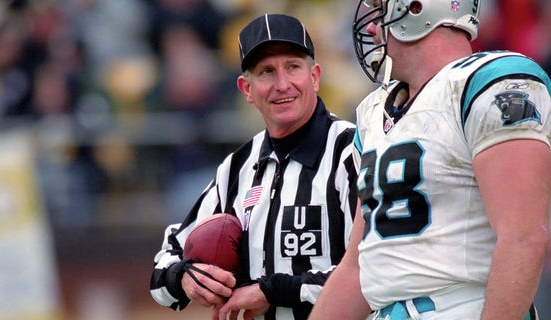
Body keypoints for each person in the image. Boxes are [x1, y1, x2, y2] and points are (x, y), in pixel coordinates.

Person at [309, 0, 551, 319]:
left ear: (418, 8)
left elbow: (523, 237)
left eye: (380, 10)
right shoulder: (372, 114)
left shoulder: (491, 82)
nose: (370, 27)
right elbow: (358, 268)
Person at [150, 13, 359, 320]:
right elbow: (161, 275)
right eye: (266, 72)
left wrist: (272, 290)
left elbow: (373, 270)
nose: (282, 84)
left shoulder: (353, 150)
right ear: (246, 89)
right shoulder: (237, 167)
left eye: (292, 67)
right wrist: (186, 277)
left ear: (314, 76)